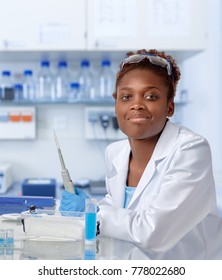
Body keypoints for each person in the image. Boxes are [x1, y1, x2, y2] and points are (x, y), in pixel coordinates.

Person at [60, 49, 218, 253]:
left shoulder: (190, 150)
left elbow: (154, 234)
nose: (136, 105)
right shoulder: (115, 152)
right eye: (126, 97)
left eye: (151, 96)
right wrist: (91, 207)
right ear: (116, 104)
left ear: (169, 107)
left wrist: (93, 214)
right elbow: (118, 208)